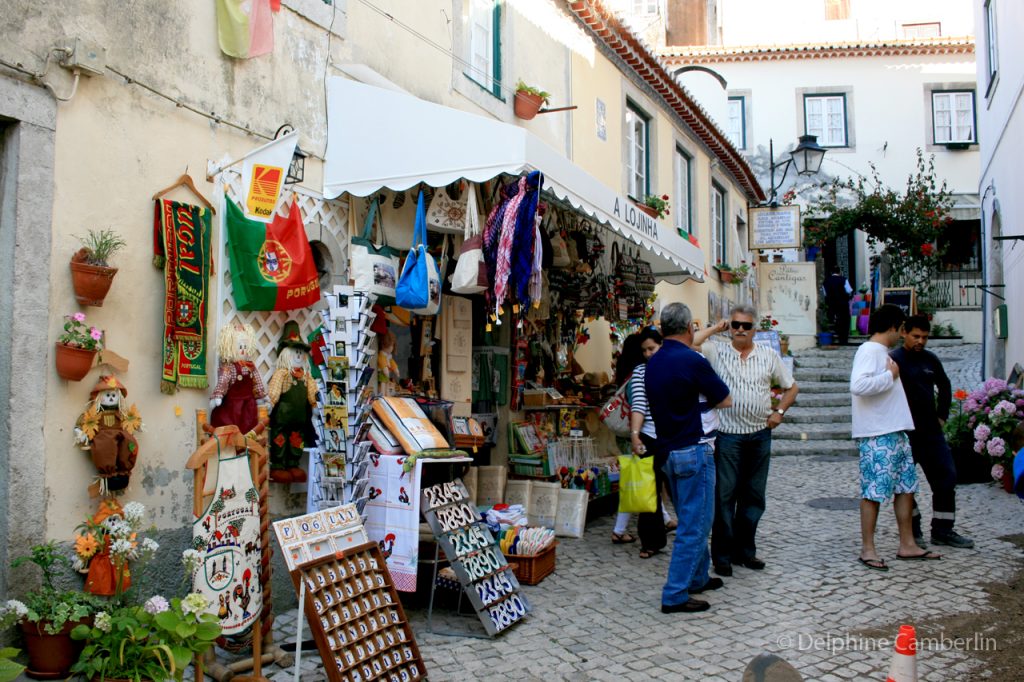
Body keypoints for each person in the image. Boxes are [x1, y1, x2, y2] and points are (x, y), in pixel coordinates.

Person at [697, 305, 798, 576]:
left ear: (755, 329)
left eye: (746, 326)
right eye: (735, 325)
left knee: (754, 496)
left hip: (759, 434)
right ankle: (722, 556)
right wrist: (716, 328)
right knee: (725, 496)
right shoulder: (716, 350)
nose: (740, 330)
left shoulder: (767, 355)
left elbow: (791, 387)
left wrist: (779, 412)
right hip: (728, 434)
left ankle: (745, 551)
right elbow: (690, 343)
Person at [646, 303, 731, 614]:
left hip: (667, 449)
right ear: (689, 328)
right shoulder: (693, 360)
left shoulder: (654, 362)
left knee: (690, 516)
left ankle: (697, 577)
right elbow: (725, 399)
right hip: (694, 447)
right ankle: (675, 594)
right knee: (695, 526)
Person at [850, 304, 940, 571]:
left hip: (895, 430)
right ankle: (868, 548)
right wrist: (890, 375)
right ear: (891, 326)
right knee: (874, 493)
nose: (903, 334)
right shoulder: (868, 351)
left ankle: (908, 544)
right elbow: (858, 385)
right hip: (878, 434)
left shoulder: (880, 352)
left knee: (906, 489)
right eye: (901, 328)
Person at [889, 315, 974, 548]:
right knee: (905, 485)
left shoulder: (930, 359)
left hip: (931, 432)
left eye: (925, 337)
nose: (920, 341)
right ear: (904, 332)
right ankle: (912, 532)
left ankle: (943, 530)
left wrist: (942, 416)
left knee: (947, 478)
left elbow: (945, 386)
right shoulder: (894, 359)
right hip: (905, 432)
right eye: (916, 336)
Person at [822, 265, 853, 345]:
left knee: (834, 320)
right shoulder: (843, 280)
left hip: (831, 305)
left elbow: (824, 294)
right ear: (839, 272)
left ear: (831, 272)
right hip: (843, 304)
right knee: (844, 322)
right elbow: (849, 291)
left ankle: (835, 336)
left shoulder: (826, 281)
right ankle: (844, 340)